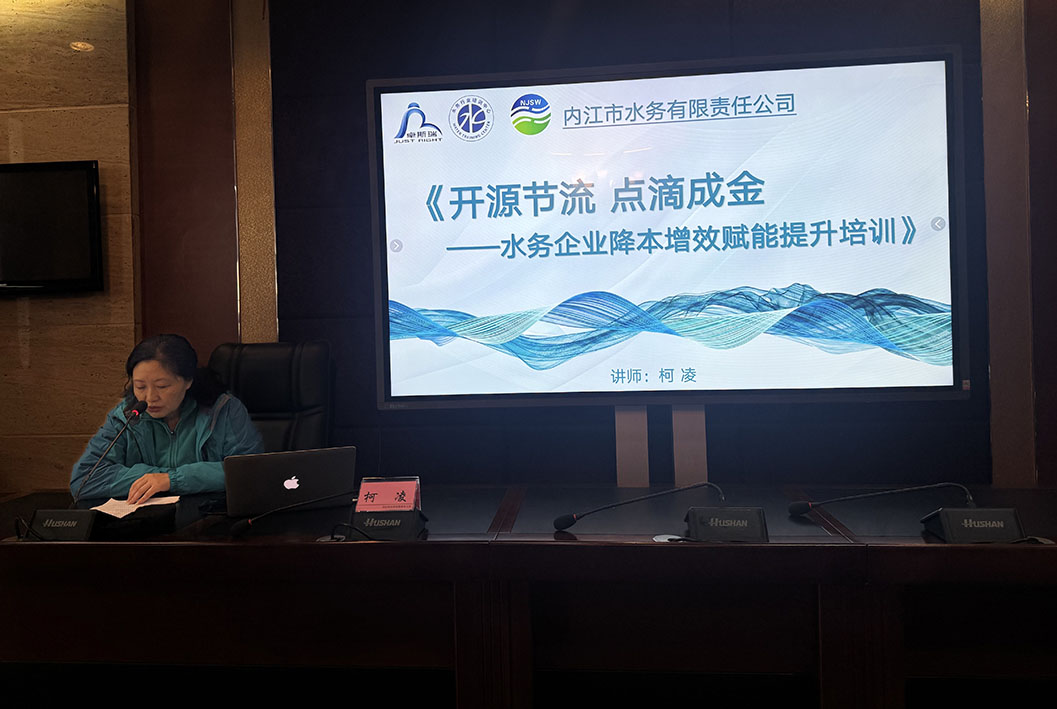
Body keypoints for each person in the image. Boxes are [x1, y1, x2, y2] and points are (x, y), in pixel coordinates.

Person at [70, 334, 263, 504]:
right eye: (140, 387)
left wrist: (172, 480)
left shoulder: (223, 410)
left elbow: (249, 472)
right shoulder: (125, 416)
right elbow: (84, 480)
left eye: (162, 386)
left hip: (208, 519)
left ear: (188, 381)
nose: (150, 398)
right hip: (144, 521)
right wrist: (154, 478)